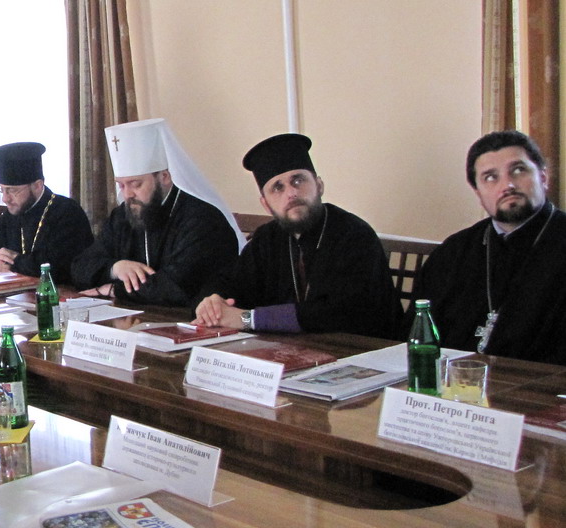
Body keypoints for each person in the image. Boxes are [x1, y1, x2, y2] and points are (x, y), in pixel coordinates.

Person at [195, 133, 400, 338]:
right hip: (289, 348)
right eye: (277, 187)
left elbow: (339, 312)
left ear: (319, 186)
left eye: (298, 180)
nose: (291, 193)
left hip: (362, 348)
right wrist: (213, 302)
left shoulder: (354, 234)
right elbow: (231, 282)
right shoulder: (267, 238)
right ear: (266, 204)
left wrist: (248, 319)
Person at [414, 130, 566, 365]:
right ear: (478, 192)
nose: (508, 185)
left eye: (518, 170)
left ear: (543, 177)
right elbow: (417, 335)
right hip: (453, 380)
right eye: (491, 177)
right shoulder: (453, 252)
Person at [72, 119, 240, 305]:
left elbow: (176, 285)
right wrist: (115, 268)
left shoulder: (203, 220)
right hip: (136, 316)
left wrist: (114, 289)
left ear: (164, 177)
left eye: (136, 184)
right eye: (121, 185)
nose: (127, 194)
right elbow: (80, 267)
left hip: (187, 318)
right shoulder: (122, 216)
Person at [0, 142, 93, 286]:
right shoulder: (11, 215)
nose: (5, 199)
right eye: (2, 190)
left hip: (58, 295)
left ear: (37, 186)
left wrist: (14, 262)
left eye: (12, 190)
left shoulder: (67, 212)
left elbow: (60, 266)